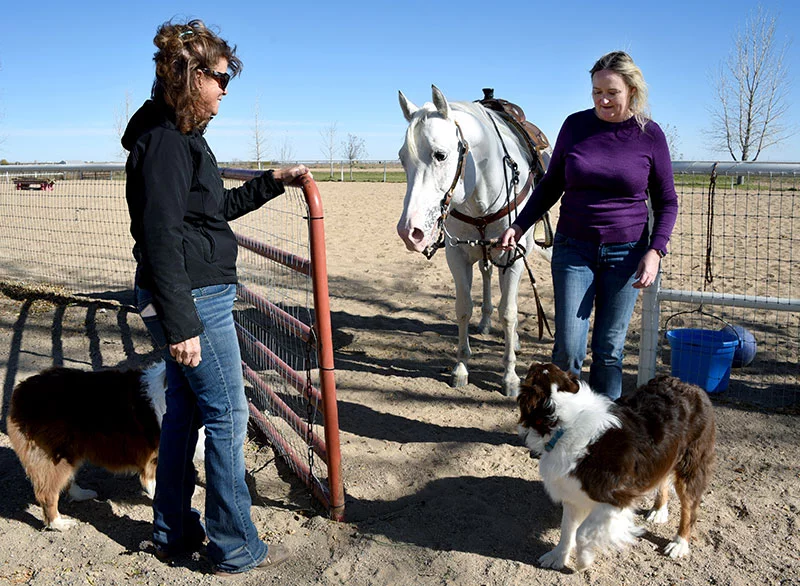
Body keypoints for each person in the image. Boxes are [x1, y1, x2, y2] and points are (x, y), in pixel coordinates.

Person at [121, 19, 310, 576]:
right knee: (228, 416)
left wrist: (271, 180)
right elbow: (159, 237)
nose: (227, 88)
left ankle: (173, 530)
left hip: (190, 293)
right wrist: (181, 325)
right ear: (190, 74)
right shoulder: (165, 144)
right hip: (193, 299)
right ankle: (234, 545)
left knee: (183, 412)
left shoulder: (180, 136)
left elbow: (210, 212)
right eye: (221, 77)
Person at [499, 50, 678, 400]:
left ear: (631, 91)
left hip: (627, 253)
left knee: (610, 351)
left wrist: (656, 251)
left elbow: (667, 201)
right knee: (568, 350)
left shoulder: (649, 135)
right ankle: (560, 427)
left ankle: (603, 434)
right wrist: (519, 225)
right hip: (574, 249)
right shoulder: (575, 126)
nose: (603, 99)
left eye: (611, 92)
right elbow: (551, 185)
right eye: (597, 91)